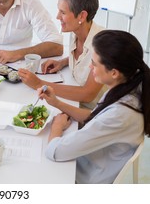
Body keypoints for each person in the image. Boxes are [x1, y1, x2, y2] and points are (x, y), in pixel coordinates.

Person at [40, 30, 150, 184]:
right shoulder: (128, 85)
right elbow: (95, 117)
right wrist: (57, 103)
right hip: (91, 158)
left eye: (94, 63)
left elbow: (55, 151)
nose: (90, 67)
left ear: (114, 73)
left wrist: (57, 127)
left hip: (84, 177)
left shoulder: (121, 113)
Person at [18, 0, 107, 109]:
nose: (57, 17)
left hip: (94, 113)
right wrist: (63, 62)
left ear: (82, 16)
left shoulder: (102, 46)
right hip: (76, 104)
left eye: (63, 12)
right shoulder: (76, 31)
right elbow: (83, 59)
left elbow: (87, 95)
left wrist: (39, 83)